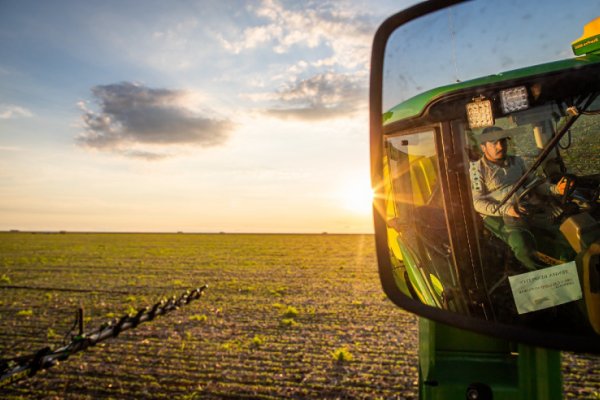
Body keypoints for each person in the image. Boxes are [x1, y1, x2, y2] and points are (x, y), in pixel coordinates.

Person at [469, 126, 572, 271]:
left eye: (503, 141)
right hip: (499, 216)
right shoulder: (476, 169)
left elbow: (534, 184)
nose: (500, 146)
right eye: (494, 143)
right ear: (483, 147)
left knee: (565, 231)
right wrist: (506, 209)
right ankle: (542, 278)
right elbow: (477, 202)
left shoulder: (517, 161)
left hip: (527, 206)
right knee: (523, 246)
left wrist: (555, 189)